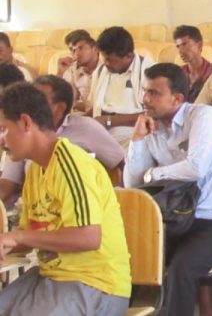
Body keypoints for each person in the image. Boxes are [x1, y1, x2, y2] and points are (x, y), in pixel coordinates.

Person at [123, 63, 212, 316]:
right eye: (145, 91)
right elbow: (133, 185)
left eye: (154, 93)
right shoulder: (151, 125)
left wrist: (153, 175)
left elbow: (196, 168)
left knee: (182, 269)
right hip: (173, 221)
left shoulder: (204, 117)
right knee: (125, 258)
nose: (145, 99)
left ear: (177, 99)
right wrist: (137, 140)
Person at [0, 83, 131, 315]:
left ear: (26, 123)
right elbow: (31, 236)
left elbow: (89, 237)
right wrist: (7, 243)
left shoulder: (71, 164)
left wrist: (17, 236)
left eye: (3, 129)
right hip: (51, 277)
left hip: (95, 284)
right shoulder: (35, 170)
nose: (1, 140)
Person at [0, 75, 125, 206]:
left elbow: (121, 163)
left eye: (40, 102)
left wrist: (123, 201)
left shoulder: (74, 161)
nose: (31, 108)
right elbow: (7, 186)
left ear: (60, 108)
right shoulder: (31, 161)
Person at [88, 26, 154, 147]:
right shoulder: (100, 71)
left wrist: (109, 120)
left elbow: (153, 115)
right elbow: (95, 108)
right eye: (104, 58)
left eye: (110, 60)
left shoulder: (150, 71)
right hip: (100, 129)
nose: (106, 63)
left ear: (129, 56)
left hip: (133, 133)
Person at [57, 29, 102, 111]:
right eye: (72, 50)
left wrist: (83, 106)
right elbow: (63, 99)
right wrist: (61, 72)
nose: (76, 54)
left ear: (95, 48)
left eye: (80, 48)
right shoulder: (73, 69)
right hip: (81, 114)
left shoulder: (107, 67)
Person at [173, 25, 212, 102]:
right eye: (178, 46)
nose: (180, 51)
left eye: (184, 44)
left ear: (199, 45)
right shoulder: (178, 74)